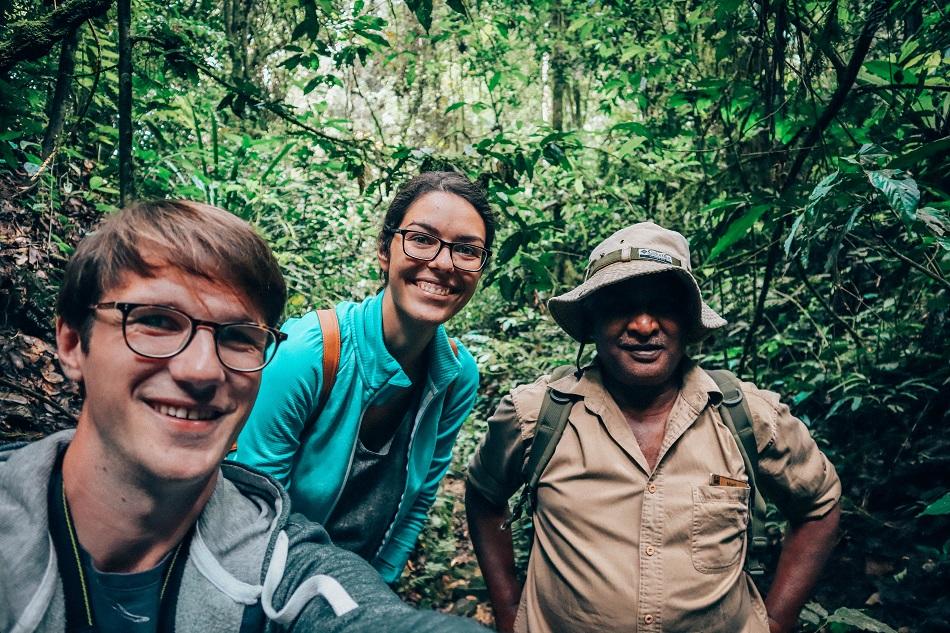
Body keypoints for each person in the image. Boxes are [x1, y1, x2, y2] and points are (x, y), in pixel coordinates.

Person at [0, 200, 486, 633]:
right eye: (155, 321)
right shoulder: (311, 353)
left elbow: (325, 567)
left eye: (237, 336)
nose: (201, 370)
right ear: (72, 342)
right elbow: (262, 480)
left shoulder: (280, 559)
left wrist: (378, 584)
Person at [465, 222, 842, 633]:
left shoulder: (747, 416)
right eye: (620, 305)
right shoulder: (536, 415)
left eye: (663, 305)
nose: (644, 326)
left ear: (687, 320)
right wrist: (508, 611)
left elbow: (820, 504)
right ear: (592, 320)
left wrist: (777, 620)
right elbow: (484, 494)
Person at [235, 171, 495, 584]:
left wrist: (381, 585)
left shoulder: (456, 376)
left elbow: (420, 496)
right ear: (384, 250)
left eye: (466, 250)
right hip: (266, 578)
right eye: (421, 239)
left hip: (361, 588)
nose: (443, 263)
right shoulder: (308, 352)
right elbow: (253, 507)